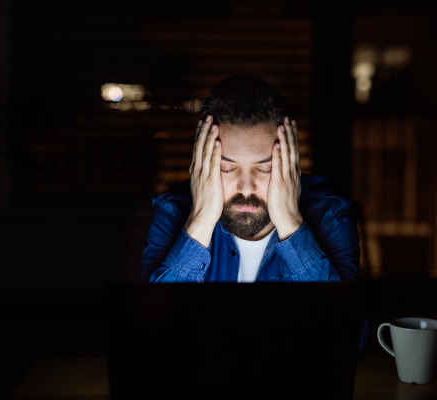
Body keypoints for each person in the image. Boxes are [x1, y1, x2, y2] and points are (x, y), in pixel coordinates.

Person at [141, 74, 362, 284]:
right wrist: (200, 220)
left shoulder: (329, 213)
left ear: (291, 163)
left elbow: (346, 322)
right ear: (202, 162)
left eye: (264, 169)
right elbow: (149, 320)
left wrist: (290, 222)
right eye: (227, 168)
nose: (246, 187)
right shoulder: (173, 209)